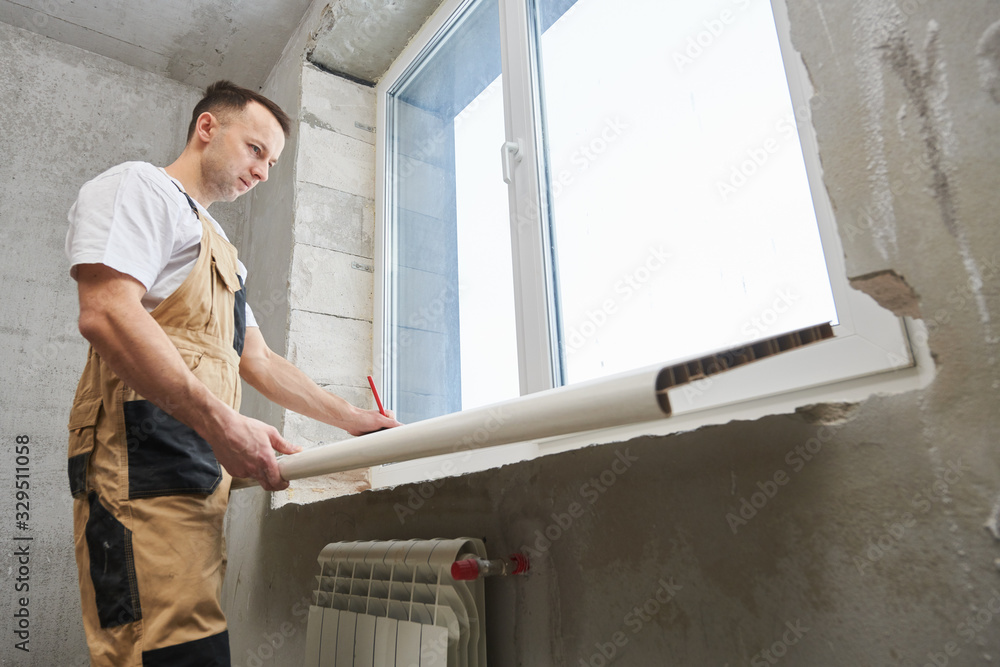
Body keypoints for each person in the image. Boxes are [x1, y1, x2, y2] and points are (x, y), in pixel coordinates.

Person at [64, 80, 400, 666]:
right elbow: (107, 312)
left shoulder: (220, 247)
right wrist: (224, 423)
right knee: (158, 649)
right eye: (255, 149)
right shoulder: (140, 188)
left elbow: (259, 360)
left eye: (272, 161)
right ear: (208, 128)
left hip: (194, 464)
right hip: (136, 461)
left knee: (194, 642)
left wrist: (353, 420)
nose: (264, 171)